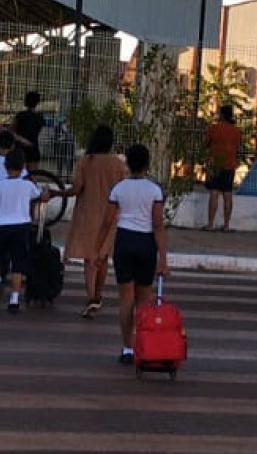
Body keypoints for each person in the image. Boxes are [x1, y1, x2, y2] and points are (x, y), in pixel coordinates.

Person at [96, 144, 168, 365]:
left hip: (124, 240)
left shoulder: (118, 189)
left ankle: (127, 348)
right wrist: (162, 259)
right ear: (147, 164)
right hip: (145, 243)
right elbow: (157, 225)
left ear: (127, 163)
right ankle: (143, 346)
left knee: (125, 298)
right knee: (144, 300)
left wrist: (98, 248)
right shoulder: (154, 190)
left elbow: (108, 221)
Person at [58, 125, 128, 319]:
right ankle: (98, 294)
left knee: (90, 260)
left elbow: (76, 189)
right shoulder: (117, 164)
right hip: (110, 216)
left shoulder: (86, 162)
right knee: (103, 258)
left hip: (88, 215)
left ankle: (92, 297)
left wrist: (57, 193)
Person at [0, 148, 43, 314]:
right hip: (22, 227)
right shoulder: (28, 185)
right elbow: (40, 197)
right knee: (18, 264)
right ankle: (14, 300)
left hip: (2, 226)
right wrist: (46, 192)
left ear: (5, 166)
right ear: (23, 166)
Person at [202, 105, 242, 232]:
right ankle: (226, 225)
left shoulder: (214, 128)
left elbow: (206, 143)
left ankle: (210, 224)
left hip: (215, 164)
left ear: (222, 115)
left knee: (214, 192)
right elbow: (238, 145)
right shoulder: (236, 131)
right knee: (227, 193)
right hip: (230, 164)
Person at [10, 91, 46, 171]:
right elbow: (39, 131)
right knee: (33, 175)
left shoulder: (20, 115)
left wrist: (20, 139)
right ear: (37, 102)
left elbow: (11, 130)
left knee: (19, 173)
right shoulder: (40, 117)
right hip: (33, 147)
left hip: (20, 148)